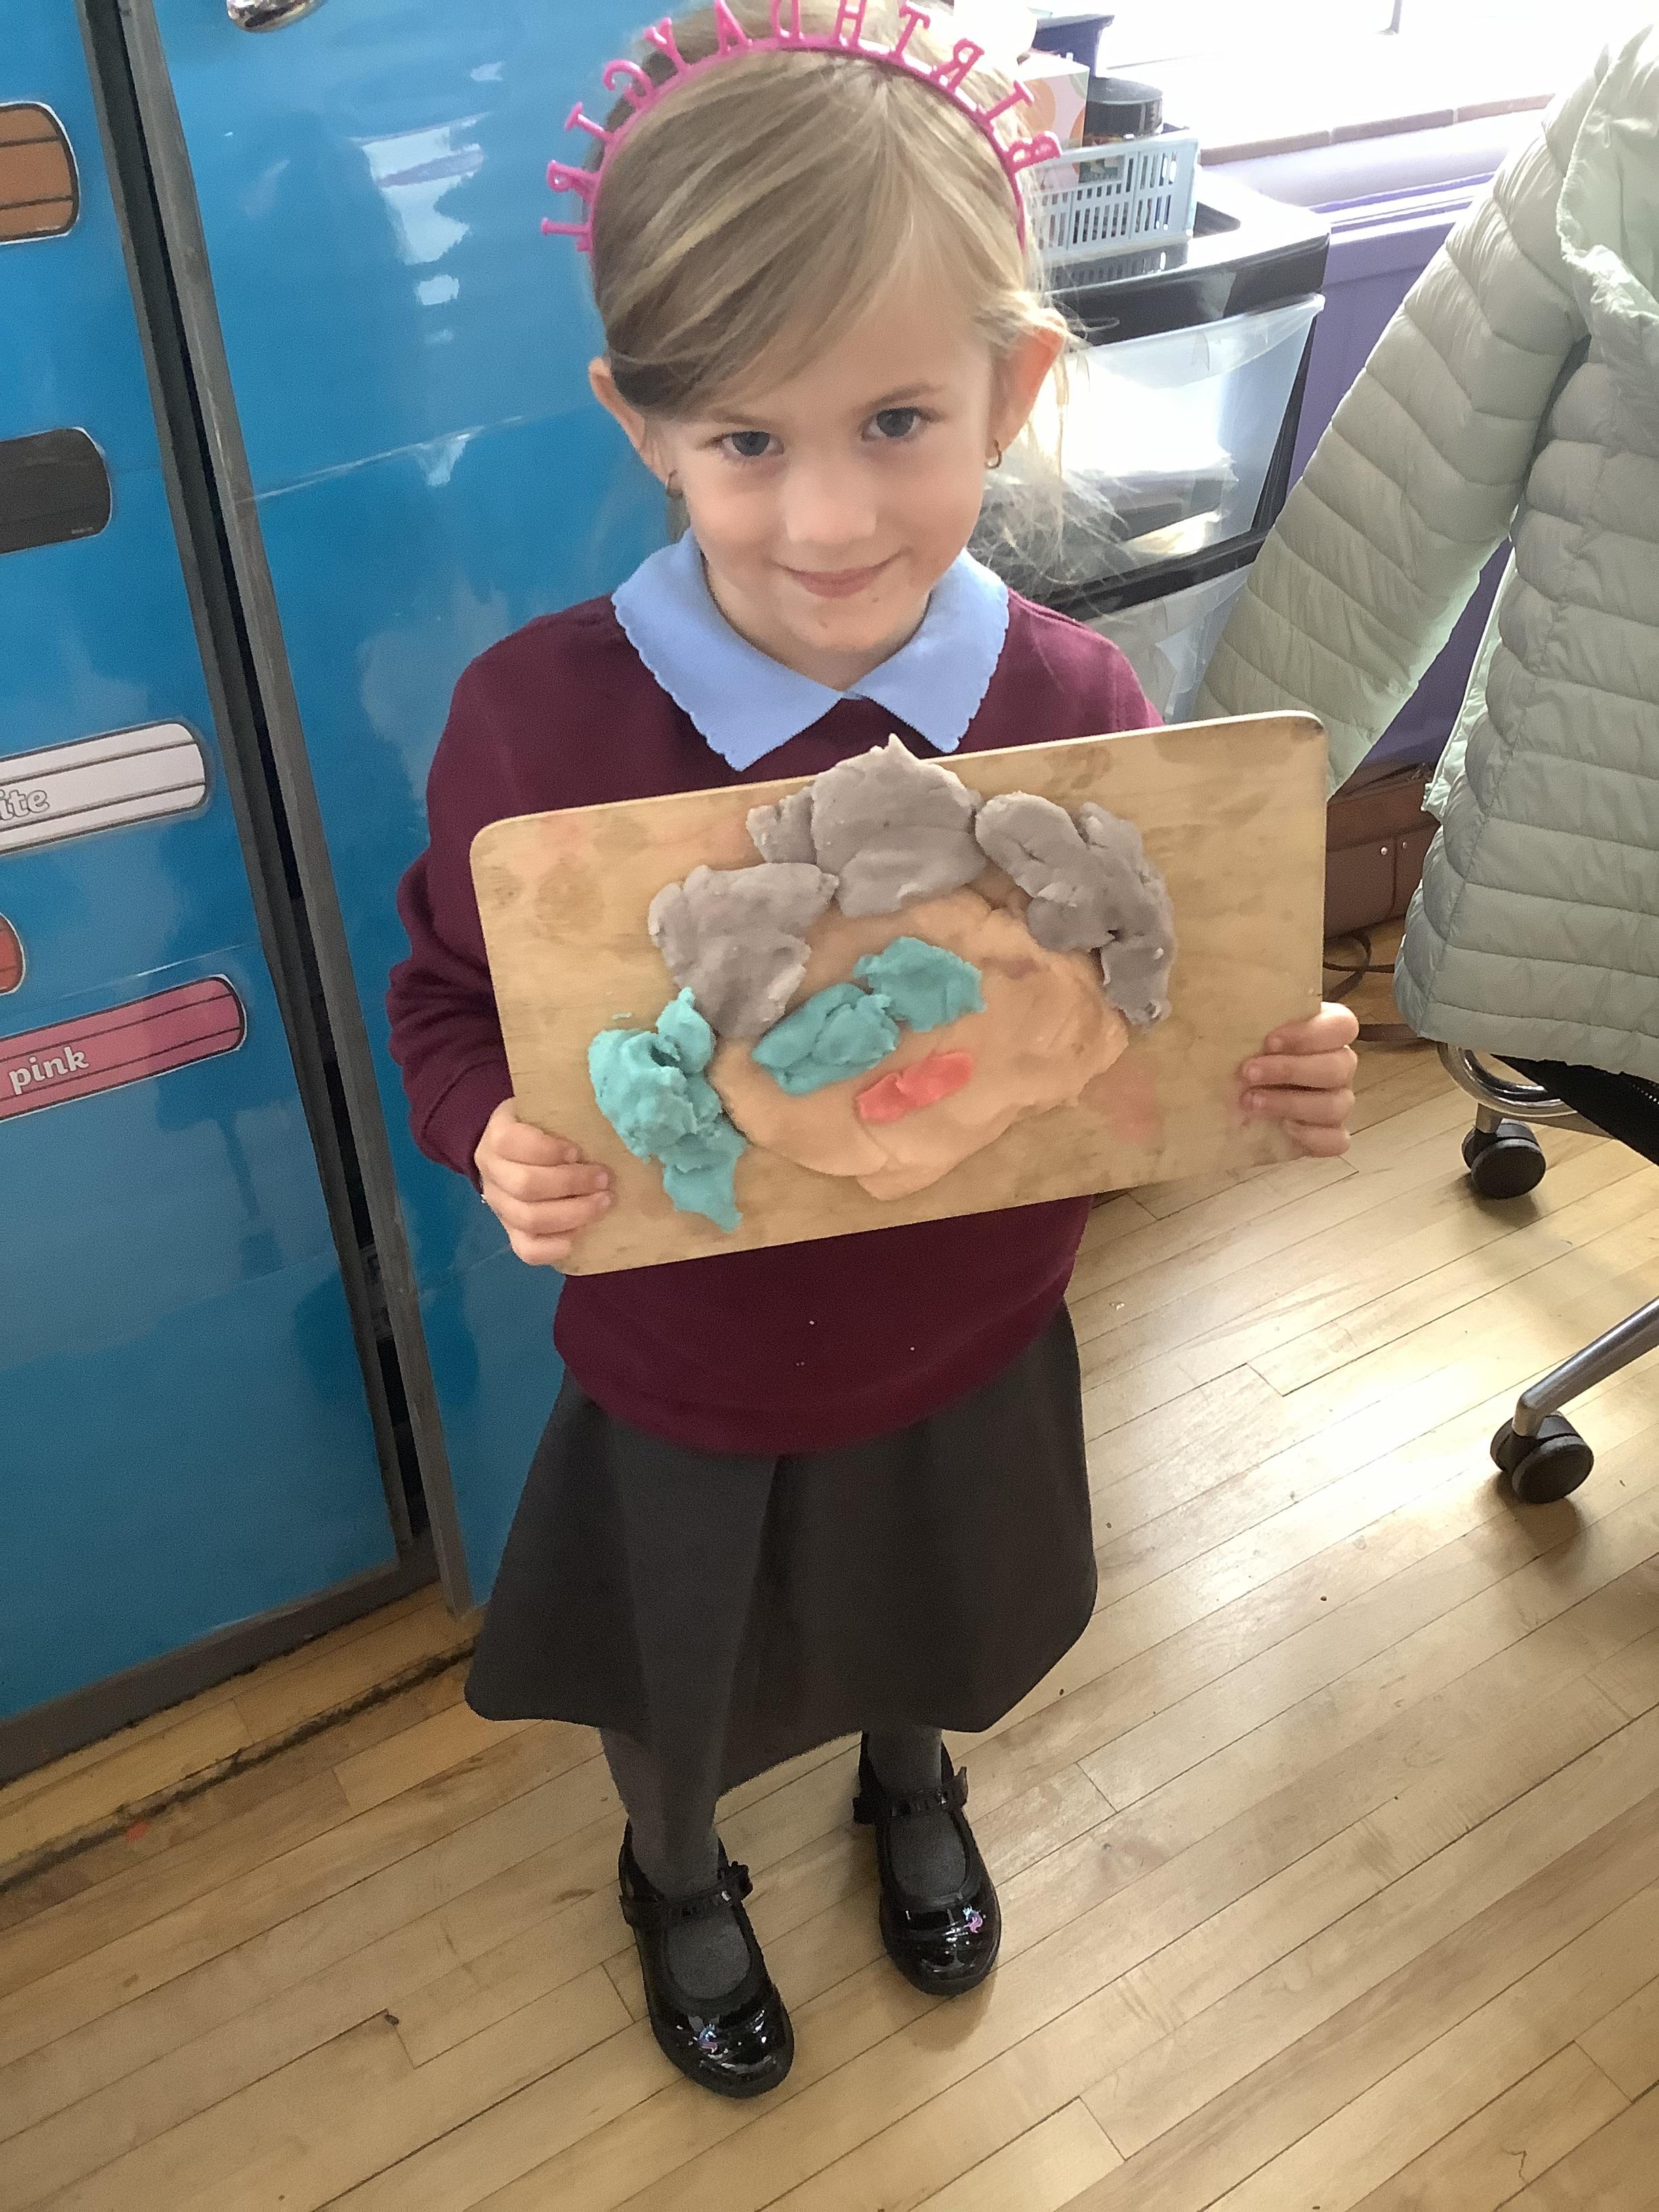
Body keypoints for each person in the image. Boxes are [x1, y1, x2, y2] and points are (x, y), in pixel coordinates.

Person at [387, 0, 1359, 2103]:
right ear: (644, 424)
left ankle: (911, 1778)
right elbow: (449, 1002)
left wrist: (1276, 1065)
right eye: (747, 440)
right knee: (683, 1666)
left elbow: (1165, 995)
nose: (828, 518)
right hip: (688, 1366)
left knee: (934, 1600)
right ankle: (676, 1868)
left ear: (1015, 387)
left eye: (898, 420)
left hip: (976, 1326)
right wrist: (491, 1135)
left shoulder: (1080, 702)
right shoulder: (538, 728)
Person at [1196, 26, 1659, 1088]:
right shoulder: (1638, 99)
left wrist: (1201, 848)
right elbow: (1390, 502)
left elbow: (1395, 496)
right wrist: (1199, 839)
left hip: (1578, 865)